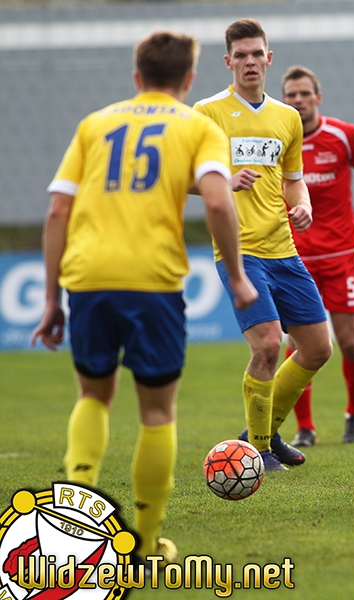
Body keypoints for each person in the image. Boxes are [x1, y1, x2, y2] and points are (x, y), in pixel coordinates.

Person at [30, 30, 258, 565]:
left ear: (137, 76)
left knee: (93, 397)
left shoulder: (95, 124)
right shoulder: (197, 127)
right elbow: (219, 203)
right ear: (189, 79)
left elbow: (58, 210)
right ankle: (149, 543)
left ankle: (71, 535)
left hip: (88, 279)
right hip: (153, 281)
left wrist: (51, 298)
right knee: (156, 411)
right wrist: (239, 276)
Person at [194, 18, 333, 470]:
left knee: (317, 348)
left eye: (257, 54)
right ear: (228, 61)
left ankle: (264, 432)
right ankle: (258, 450)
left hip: (284, 250)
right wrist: (223, 180)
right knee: (269, 345)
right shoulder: (207, 112)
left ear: (269, 58)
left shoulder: (287, 117)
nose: (250, 61)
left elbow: (293, 180)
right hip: (239, 252)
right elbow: (179, 176)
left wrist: (303, 203)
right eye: (241, 55)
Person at [281, 65, 354, 446]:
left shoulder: (344, 135)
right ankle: (304, 427)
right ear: (284, 99)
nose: (298, 100)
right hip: (294, 257)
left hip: (341, 253)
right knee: (299, 346)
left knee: (348, 344)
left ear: (318, 97)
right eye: (291, 94)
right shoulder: (277, 137)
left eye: (304, 93)